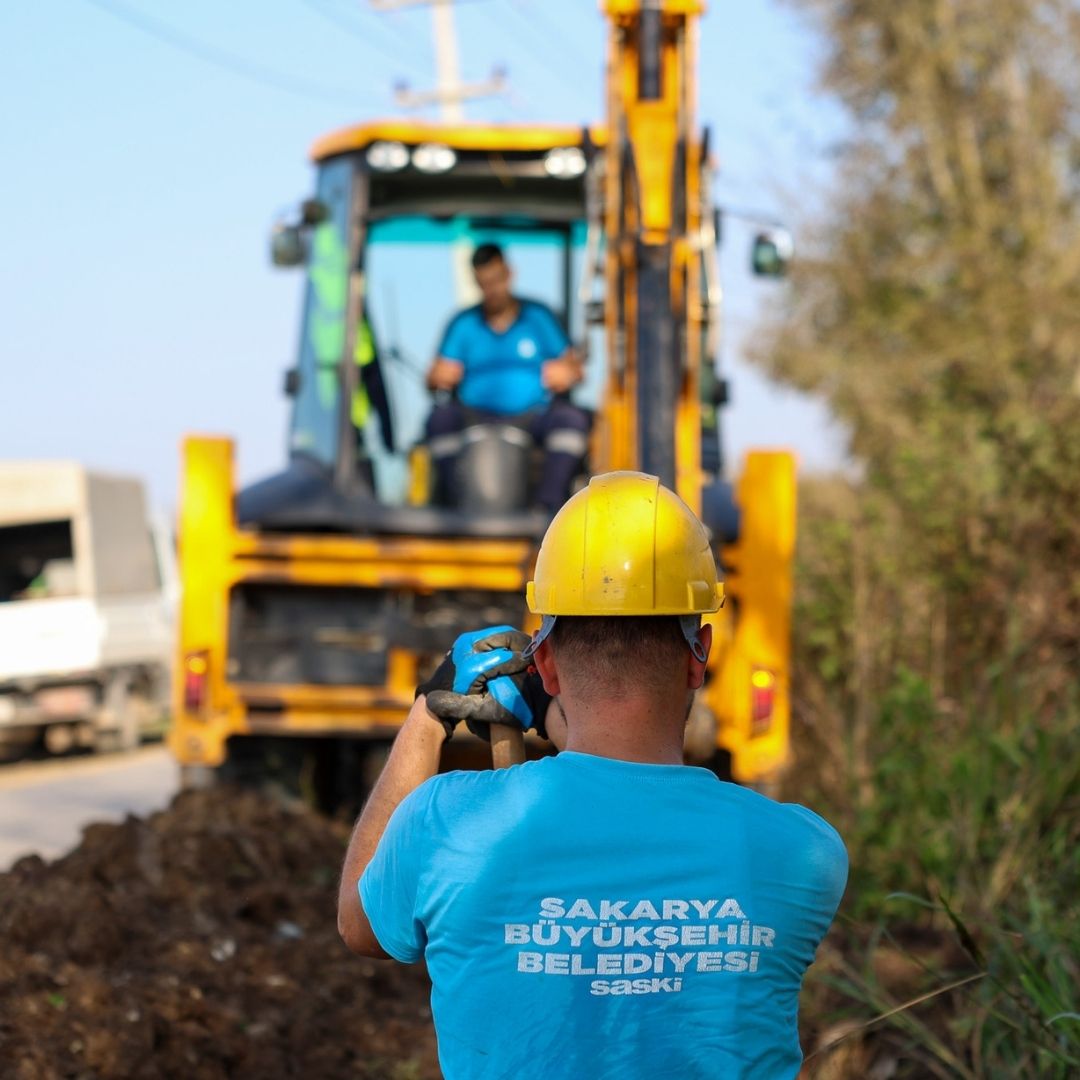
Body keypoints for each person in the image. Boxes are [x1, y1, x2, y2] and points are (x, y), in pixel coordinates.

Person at [338, 471, 848, 1079]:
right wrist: (558, 715)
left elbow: (359, 925)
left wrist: (429, 715)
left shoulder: (445, 821)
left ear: (546, 661)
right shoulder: (801, 853)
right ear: (699, 654)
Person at [424, 242, 591, 511]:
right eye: (484, 283)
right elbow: (432, 376)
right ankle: (456, 505)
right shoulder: (462, 324)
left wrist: (568, 373)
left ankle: (547, 509)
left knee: (572, 420)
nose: (492, 290)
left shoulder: (539, 317)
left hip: (532, 415)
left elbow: (575, 369)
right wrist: (437, 376)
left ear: (509, 274)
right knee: (440, 420)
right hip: (474, 415)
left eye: (496, 280)